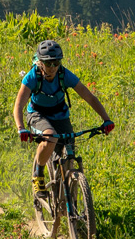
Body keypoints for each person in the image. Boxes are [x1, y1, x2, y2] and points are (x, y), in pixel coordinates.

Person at [13, 38, 113, 196]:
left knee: (69, 152)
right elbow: (18, 105)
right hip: (38, 114)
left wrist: (106, 119)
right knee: (50, 136)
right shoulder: (32, 77)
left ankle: (67, 201)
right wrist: (21, 128)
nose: (52, 67)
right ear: (40, 62)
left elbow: (90, 97)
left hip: (60, 114)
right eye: (48, 63)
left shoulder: (64, 74)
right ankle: (37, 175)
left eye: (56, 63)